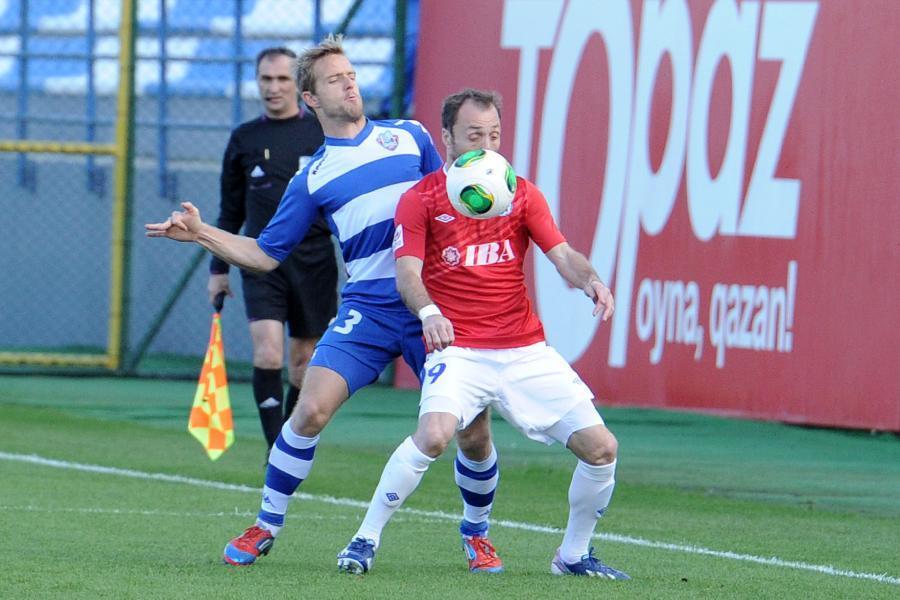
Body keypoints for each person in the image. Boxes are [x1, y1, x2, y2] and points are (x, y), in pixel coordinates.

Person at [145, 37, 503, 573]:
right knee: (309, 410)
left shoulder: (410, 136)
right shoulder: (312, 177)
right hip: (368, 310)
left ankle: (477, 535)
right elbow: (265, 254)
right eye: (335, 79)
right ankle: (266, 524)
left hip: (432, 305)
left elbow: (452, 200)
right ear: (311, 98)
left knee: (473, 431)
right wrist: (201, 234)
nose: (349, 84)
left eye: (351, 75)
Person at [335, 88, 630, 580]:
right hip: (460, 349)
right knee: (435, 435)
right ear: (447, 137)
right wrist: (429, 312)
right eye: (475, 135)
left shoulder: (521, 193)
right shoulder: (421, 198)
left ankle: (573, 555)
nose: (487, 146)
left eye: (494, 135)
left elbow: (562, 255)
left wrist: (592, 281)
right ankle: (366, 538)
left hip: (523, 348)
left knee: (602, 450)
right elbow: (407, 274)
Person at [210, 47, 337, 456]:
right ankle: (273, 450)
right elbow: (230, 210)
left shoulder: (322, 134)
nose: (273, 87)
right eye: (266, 79)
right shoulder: (244, 138)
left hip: (314, 261)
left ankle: (287, 442)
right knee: (267, 350)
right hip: (259, 258)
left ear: (298, 85)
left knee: (303, 361)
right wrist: (218, 269)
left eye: (282, 79)